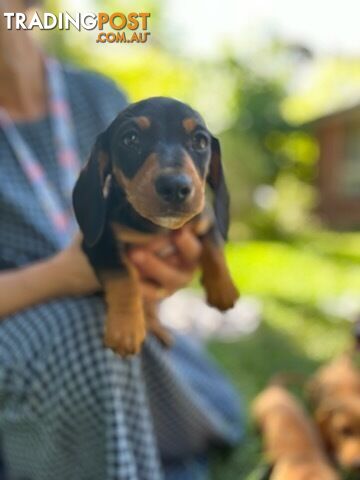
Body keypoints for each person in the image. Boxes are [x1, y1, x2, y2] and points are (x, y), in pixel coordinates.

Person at [0, 1, 242, 479]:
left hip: (124, 318)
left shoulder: (98, 97)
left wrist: (171, 270)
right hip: (23, 330)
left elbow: (175, 214)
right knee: (90, 332)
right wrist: (64, 275)